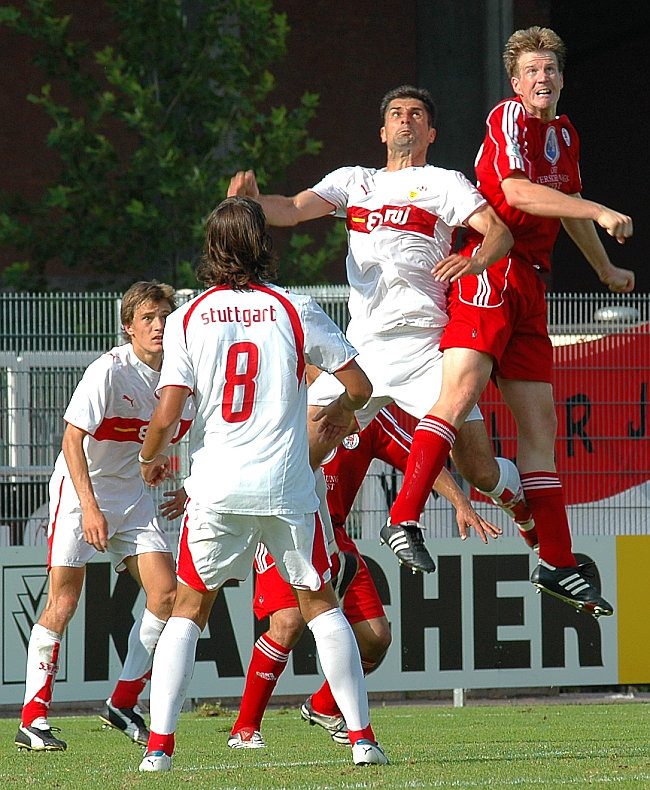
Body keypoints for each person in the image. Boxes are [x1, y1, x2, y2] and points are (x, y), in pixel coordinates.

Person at [228, 85, 537, 576]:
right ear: (382, 131)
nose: (405, 120)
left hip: (426, 346)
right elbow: (291, 208)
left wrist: (476, 260)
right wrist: (252, 204)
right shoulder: (355, 182)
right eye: (396, 113)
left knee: (479, 470)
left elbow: (500, 232)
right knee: (302, 452)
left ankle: (515, 496)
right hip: (365, 350)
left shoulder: (443, 182)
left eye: (416, 114)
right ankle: (297, 548)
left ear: (431, 132)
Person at [388, 27, 634, 618]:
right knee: (459, 395)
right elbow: (519, 194)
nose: (542, 78)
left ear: (562, 78)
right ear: (516, 83)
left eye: (549, 68)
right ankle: (404, 518)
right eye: (532, 71)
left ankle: (557, 561)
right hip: (490, 271)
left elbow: (565, 208)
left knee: (541, 428)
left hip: (530, 286)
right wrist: (599, 209)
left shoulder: (565, 134)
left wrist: (603, 267)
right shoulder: (508, 119)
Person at [136, 196, 388, 772]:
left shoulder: (187, 318)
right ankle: (362, 740)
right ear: (263, 245)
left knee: (187, 609)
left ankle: (159, 749)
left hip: (217, 487)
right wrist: (343, 413)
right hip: (286, 487)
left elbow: (170, 408)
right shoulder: (295, 308)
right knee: (321, 606)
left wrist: (151, 455)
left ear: (211, 248)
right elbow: (360, 386)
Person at [228, 402, 493, 748]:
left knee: (376, 637)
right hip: (285, 524)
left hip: (334, 534)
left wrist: (460, 500)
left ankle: (323, 706)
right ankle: (245, 727)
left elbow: (416, 457)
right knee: (289, 622)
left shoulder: (370, 414)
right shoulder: (289, 401)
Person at [14, 281, 193, 752]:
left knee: (166, 595)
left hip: (131, 495)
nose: (158, 325)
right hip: (80, 492)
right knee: (64, 601)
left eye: (164, 316)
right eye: (148, 318)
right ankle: (32, 718)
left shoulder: (180, 377)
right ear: (128, 326)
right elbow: (71, 440)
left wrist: (166, 471)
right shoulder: (109, 370)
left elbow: (170, 441)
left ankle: (122, 702)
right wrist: (90, 508)